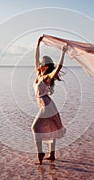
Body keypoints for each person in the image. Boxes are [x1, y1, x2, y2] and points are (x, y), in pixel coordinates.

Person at [31, 35, 67, 165]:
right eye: (40, 62)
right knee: (51, 128)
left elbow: (59, 68)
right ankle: (52, 155)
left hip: (47, 105)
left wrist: (63, 52)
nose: (39, 63)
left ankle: (40, 153)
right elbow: (35, 58)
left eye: (41, 63)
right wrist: (38, 44)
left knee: (34, 128)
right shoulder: (38, 74)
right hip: (45, 105)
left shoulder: (47, 77)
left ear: (45, 66)